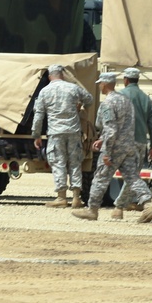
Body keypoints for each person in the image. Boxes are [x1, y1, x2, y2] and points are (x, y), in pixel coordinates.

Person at [74, 72, 152, 223]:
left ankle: (92, 210)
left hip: (114, 148)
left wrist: (106, 151)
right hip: (129, 146)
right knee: (132, 177)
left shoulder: (108, 103)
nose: (99, 86)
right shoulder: (126, 101)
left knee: (100, 178)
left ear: (105, 84)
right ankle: (148, 204)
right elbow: (126, 125)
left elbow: (111, 129)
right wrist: (102, 138)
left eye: (100, 83)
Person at [31, 64, 93, 208]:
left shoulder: (45, 91)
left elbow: (39, 115)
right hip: (73, 131)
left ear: (49, 76)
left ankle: (61, 198)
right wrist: (80, 107)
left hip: (55, 132)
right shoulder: (73, 88)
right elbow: (89, 99)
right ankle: (77, 198)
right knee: (75, 162)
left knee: (58, 162)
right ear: (63, 75)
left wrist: (36, 135)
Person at [112, 67, 152, 220]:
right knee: (132, 175)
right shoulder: (145, 98)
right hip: (140, 143)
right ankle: (119, 208)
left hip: (124, 142)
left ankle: (147, 202)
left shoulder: (120, 96)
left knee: (130, 176)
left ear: (125, 80)